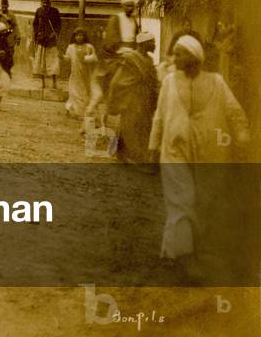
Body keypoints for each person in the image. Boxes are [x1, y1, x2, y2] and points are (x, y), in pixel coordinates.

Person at [148, 35, 250, 282]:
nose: (174, 58)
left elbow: (234, 112)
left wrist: (242, 137)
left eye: (179, 54)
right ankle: (180, 256)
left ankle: (180, 251)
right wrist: (153, 146)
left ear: (194, 57)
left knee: (204, 202)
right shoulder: (169, 82)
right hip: (174, 150)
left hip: (208, 152)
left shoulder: (216, 82)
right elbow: (160, 116)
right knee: (182, 200)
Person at [105, 31, 160, 165]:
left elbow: (152, 78)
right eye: (152, 42)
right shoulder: (130, 58)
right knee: (129, 126)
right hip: (132, 99)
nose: (154, 45)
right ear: (143, 44)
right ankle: (129, 155)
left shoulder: (149, 59)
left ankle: (129, 154)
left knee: (143, 126)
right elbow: (119, 81)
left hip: (146, 99)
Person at [31, 0, 62, 89]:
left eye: (47, 3)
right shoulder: (39, 11)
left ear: (50, 3)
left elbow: (58, 25)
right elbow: (35, 24)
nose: (45, 4)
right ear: (41, 3)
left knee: (53, 62)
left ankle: (54, 83)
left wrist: (54, 33)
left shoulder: (54, 11)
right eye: (43, 2)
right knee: (41, 63)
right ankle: (43, 83)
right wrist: (37, 33)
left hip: (51, 41)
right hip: (42, 41)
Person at [63, 27, 96, 118]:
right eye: (77, 35)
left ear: (84, 36)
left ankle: (84, 112)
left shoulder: (89, 47)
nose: (79, 37)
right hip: (75, 74)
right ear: (74, 37)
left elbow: (94, 58)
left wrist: (88, 59)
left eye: (81, 35)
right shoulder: (70, 47)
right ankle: (72, 111)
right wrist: (62, 57)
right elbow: (68, 58)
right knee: (74, 92)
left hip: (86, 74)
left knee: (85, 93)